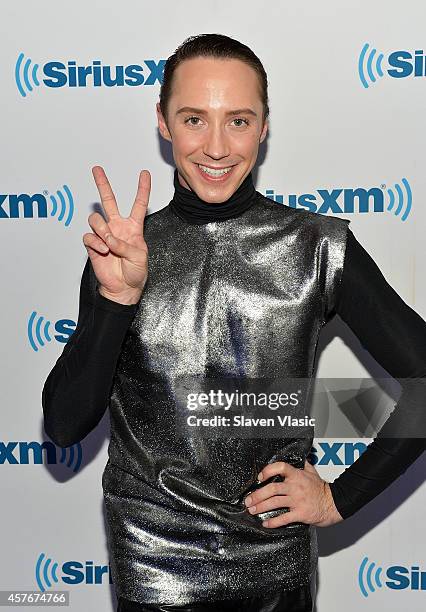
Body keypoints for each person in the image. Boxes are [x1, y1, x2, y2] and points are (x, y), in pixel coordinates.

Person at [42, 34, 426, 612]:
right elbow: (65, 425)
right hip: (152, 564)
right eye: (194, 118)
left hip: (276, 567)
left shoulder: (317, 247)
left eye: (239, 120)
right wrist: (115, 302)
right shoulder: (126, 254)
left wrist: (341, 498)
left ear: (265, 126)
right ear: (163, 123)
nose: (217, 147)